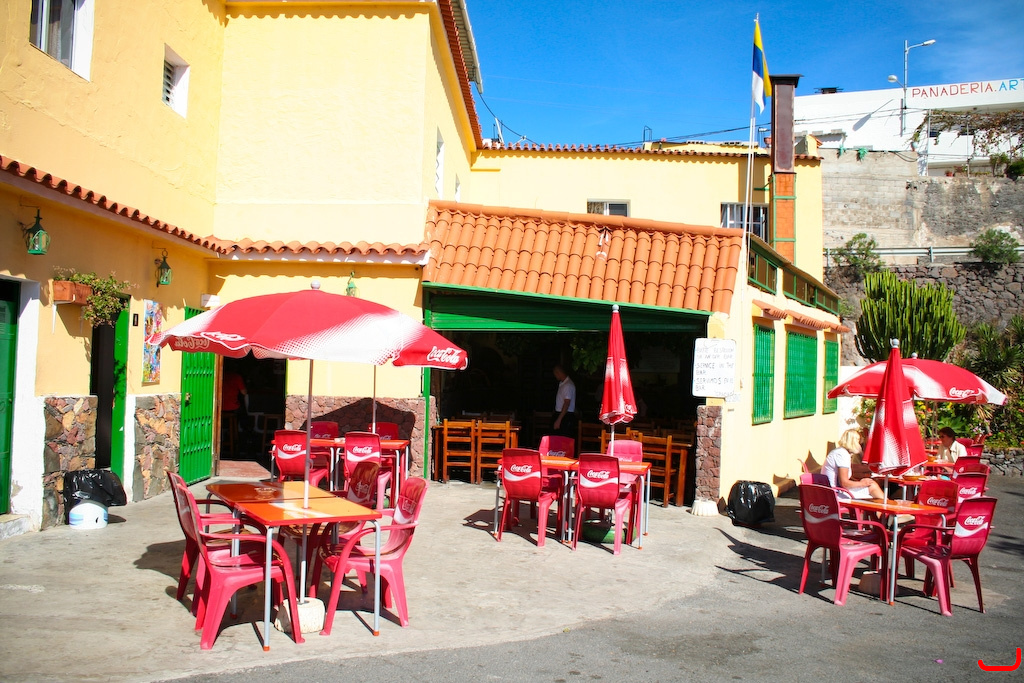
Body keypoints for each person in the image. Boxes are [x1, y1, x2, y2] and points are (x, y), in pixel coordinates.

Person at [821, 429, 884, 500]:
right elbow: (844, 483)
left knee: (872, 485)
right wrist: (862, 484)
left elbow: (851, 469)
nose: (860, 445)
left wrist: (863, 480)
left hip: (837, 490)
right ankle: (885, 506)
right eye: (859, 442)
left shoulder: (840, 452)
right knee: (873, 497)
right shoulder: (842, 455)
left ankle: (885, 505)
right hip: (836, 493)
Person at [552, 364, 577, 438]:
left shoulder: (568, 385)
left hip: (565, 415)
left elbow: (567, 403)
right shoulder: (562, 384)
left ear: (558, 373)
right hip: (560, 413)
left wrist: (559, 420)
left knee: (563, 438)